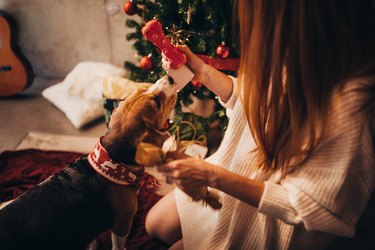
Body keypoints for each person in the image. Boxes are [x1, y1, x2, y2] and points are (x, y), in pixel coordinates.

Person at [145, 0, 375, 249]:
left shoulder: (350, 106)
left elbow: (310, 208)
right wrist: (205, 72)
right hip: (249, 166)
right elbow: (257, 101)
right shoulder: (302, 52)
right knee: (154, 224)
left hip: (281, 212)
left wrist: (213, 176)